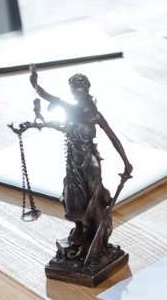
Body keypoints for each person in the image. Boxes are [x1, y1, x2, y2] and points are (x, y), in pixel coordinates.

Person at [28, 67, 133, 261]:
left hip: (90, 162)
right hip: (73, 161)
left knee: (93, 200)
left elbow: (114, 139)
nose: (76, 94)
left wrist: (126, 162)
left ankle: (97, 240)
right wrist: (34, 82)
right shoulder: (69, 108)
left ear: (86, 90)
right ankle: (81, 230)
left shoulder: (95, 115)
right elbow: (45, 95)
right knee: (71, 197)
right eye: (73, 91)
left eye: (79, 91)